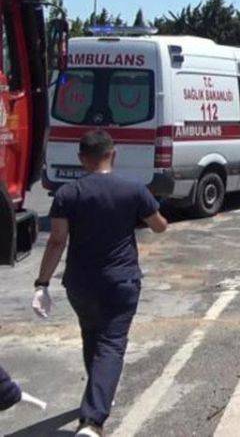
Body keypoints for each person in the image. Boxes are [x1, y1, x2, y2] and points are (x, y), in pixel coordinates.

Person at [32, 130, 168, 436]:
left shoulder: (68, 194)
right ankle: (92, 422)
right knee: (111, 345)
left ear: (82, 159)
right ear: (113, 154)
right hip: (120, 282)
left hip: (80, 283)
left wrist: (41, 283)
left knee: (92, 337)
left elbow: (56, 241)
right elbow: (159, 227)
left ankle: (99, 394)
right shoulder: (133, 189)